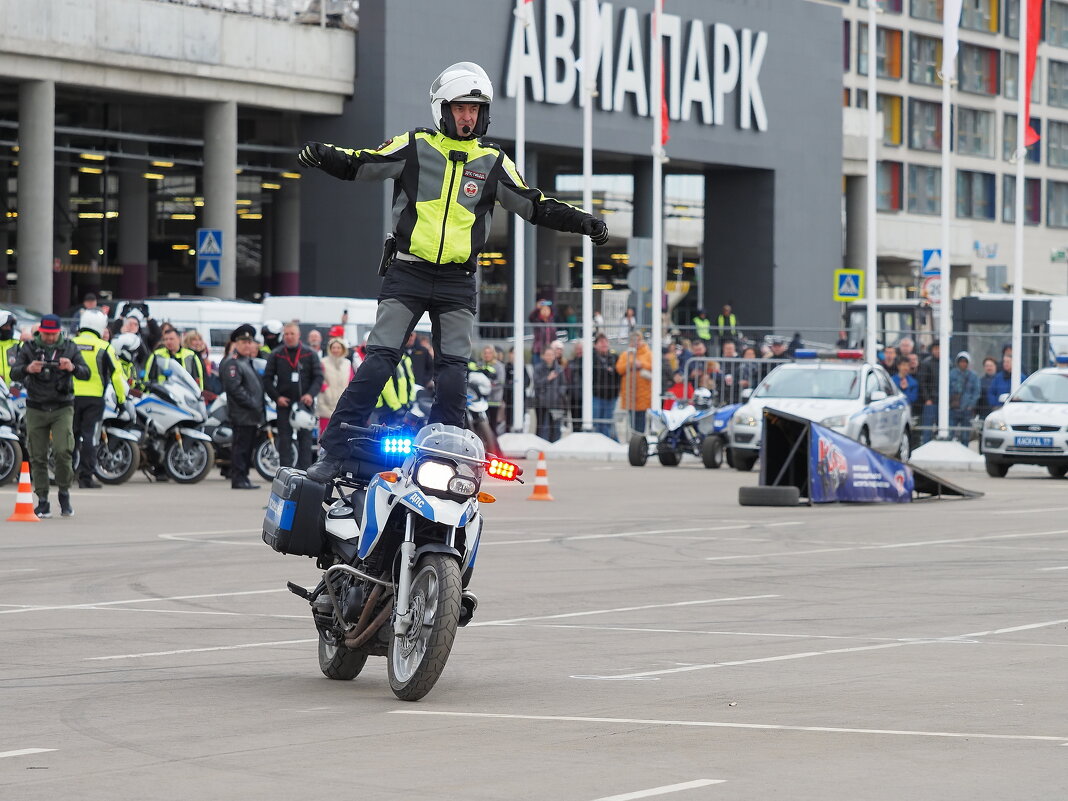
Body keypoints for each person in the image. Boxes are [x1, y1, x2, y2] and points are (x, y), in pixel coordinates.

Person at [299, 61, 608, 481]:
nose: (468, 117)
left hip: (457, 281)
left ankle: (442, 465)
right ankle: (332, 454)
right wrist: (324, 156)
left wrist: (582, 221)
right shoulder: (414, 145)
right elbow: (362, 163)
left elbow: (534, 204)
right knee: (378, 363)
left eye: (475, 109)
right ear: (442, 109)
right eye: (460, 108)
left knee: (452, 376)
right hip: (407, 272)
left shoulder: (493, 160)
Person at [10, 314, 90, 518]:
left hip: (62, 406)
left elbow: (85, 373)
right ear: (40, 332)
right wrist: (28, 368)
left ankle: (64, 493)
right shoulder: (28, 348)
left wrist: (71, 367)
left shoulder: (70, 347)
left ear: (58, 332)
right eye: (46, 334)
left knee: (63, 451)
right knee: (38, 455)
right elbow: (14, 373)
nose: (50, 338)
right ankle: (43, 501)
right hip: (36, 406)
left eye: (53, 334)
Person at [71, 310, 127, 490]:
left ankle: (65, 474)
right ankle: (85, 478)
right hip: (94, 399)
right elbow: (117, 376)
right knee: (89, 437)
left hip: (69, 397)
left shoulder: (70, 344)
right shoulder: (105, 347)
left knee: (70, 436)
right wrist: (121, 400)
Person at [263, 322, 323, 470]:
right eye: (286, 334)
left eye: (292, 334)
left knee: (305, 441)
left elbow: (318, 377)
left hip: (304, 404)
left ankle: (304, 473)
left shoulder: (309, 354)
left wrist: (310, 395)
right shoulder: (276, 354)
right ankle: (285, 471)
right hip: (284, 404)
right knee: (285, 440)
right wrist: (277, 397)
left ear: (298, 335)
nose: (289, 337)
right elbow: (267, 379)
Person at [220, 324, 264, 490]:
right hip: (242, 413)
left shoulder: (247, 362)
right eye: (243, 342)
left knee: (247, 448)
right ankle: (238, 478)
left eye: (249, 342)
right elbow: (234, 389)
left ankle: (243, 477)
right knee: (241, 448)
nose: (247, 345)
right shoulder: (233, 363)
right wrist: (252, 403)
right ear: (236, 344)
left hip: (251, 414)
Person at [317, 337, 356, 437]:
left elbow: (350, 381)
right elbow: (320, 380)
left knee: (341, 432)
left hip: (342, 403)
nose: (336, 350)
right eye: (333, 347)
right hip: (326, 403)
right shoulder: (323, 362)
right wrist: (326, 391)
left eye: (338, 347)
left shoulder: (347, 363)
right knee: (325, 433)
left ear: (342, 349)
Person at [616, 330, 652, 435]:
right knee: (632, 419)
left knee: (641, 418)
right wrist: (631, 364)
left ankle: (640, 439)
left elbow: (653, 366)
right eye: (633, 340)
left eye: (638, 340)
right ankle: (633, 439)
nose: (636, 342)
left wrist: (641, 364)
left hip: (644, 393)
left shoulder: (648, 353)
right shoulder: (626, 354)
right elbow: (619, 368)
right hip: (630, 393)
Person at [532, 345, 568, 442]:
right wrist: (548, 378)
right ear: (543, 356)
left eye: (551, 355)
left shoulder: (559, 369)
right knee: (542, 427)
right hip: (541, 403)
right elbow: (537, 383)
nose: (549, 357)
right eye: (547, 355)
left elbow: (563, 384)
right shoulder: (538, 368)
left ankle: (555, 445)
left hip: (556, 403)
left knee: (556, 427)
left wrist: (559, 394)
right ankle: (541, 445)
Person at [590, 333, 620, 440]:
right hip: (597, 395)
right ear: (595, 345)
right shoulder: (591, 357)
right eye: (601, 342)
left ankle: (612, 443)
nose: (604, 344)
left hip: (611, 395)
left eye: (606, 341)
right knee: (597, 422)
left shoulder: (614, 357)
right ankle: (600, 443)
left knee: (608, 422)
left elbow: (618, 374)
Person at [470, 344, 505, 431]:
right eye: (485, 353)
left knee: (492, 425)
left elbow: (501, 382)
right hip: (480, 400)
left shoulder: (499, 366)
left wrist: (487, 387)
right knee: (480, 423)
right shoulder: (479, 364)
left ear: (493, 354)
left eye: (489, 353)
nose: (487, 355)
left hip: (493, 400)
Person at [949, 351, 980, 446]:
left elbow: (976, 392)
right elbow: (948, 388)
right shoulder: (952, 374)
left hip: (967, 409)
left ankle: (965, 450)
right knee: (950, 431)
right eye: (961, 361)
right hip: (954, 408)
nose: (963, 363)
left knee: (965, 434)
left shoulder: (973, 376)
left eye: (965, 361)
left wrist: (971, 405)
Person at [918, 340, 940, 444]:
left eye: (940, 348)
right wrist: (927, 399)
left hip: (943, 403)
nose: (938, 351)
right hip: (930, 402)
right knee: (927, 429)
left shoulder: (948, 363)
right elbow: (922, 383)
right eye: (936, 349)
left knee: (942, 429)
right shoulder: (926, 363)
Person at [0, 310, 20, 385]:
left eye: (10, 325)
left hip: (16, 392)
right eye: (5, 326)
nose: (9, 328)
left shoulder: (18, 345)